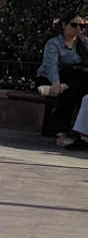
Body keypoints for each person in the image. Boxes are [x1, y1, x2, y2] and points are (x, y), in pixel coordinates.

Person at [38, 11, 88, 148]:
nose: (79, 29)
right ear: (64, 25)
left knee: (79, 86)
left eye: (82, 26)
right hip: (50, 78)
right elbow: (51, 66)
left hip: (73, 79)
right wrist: (56, 83)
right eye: (74, 25)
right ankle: (61, 133)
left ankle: (78, 134)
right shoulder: (54, 43)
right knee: (69, 92)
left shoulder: (84, 43)